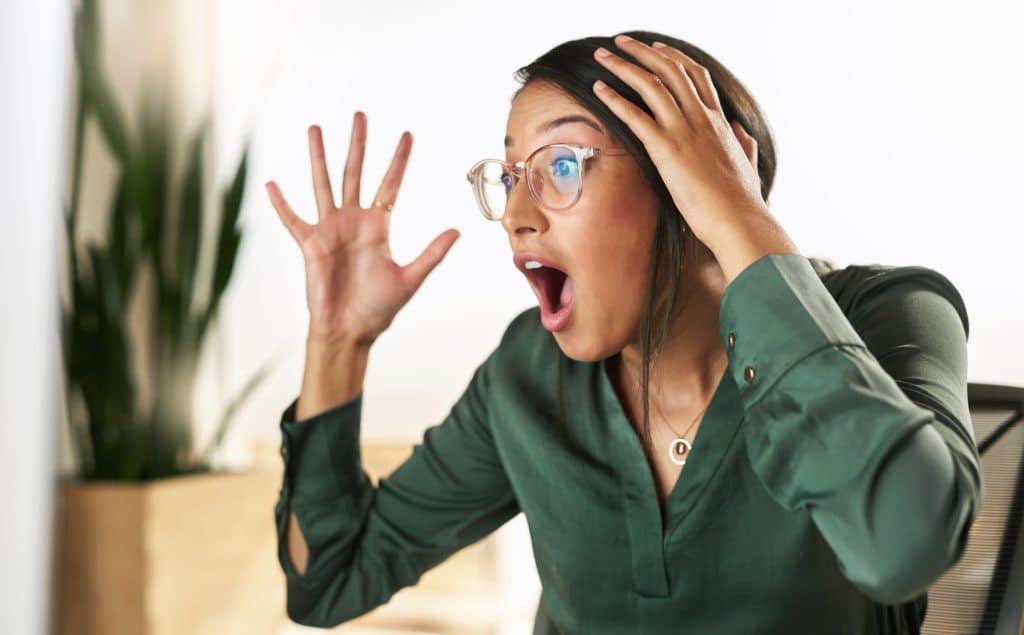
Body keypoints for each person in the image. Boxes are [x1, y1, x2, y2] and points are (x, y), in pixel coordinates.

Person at [264, 30, 982, 634]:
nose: (517, 213)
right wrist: (337, 343)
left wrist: (739, 219)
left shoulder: (891, 312)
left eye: (561, 165)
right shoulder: (527, 375)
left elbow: (904, 544)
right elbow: (329, 579)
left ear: (710, 170)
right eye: (511, 175)